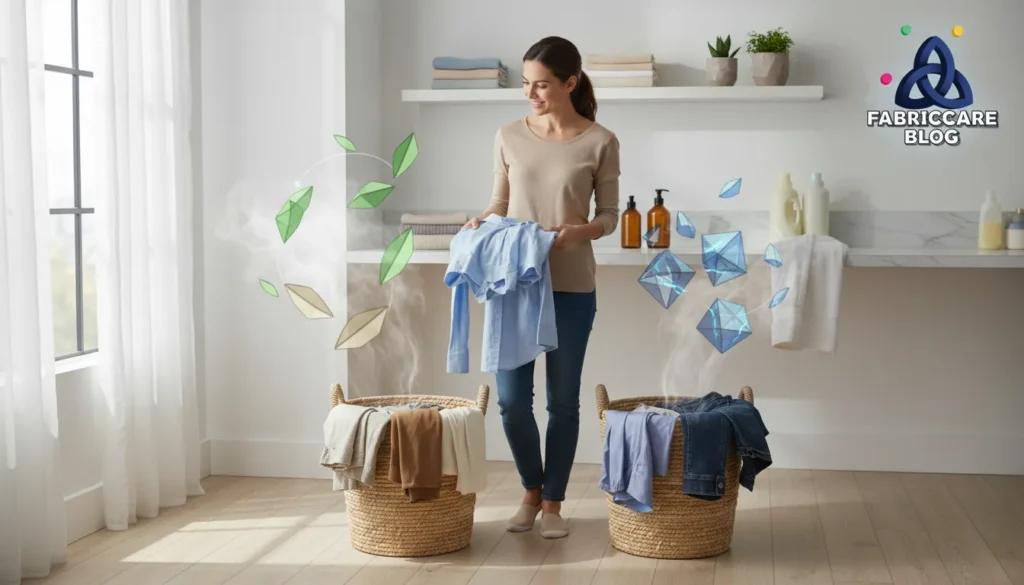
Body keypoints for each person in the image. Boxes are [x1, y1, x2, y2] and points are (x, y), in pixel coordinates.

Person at [463, 36, 621, 538]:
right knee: (511, 401)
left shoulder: (600, 141)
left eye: (542, 85)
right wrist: (480, 222)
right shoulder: (508, 134)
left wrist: (581, 233)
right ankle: (529, 491)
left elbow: (611, 216)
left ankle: (553, 503)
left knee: (562, 402)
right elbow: (499, 203)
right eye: (526, 85)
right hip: (513, 284)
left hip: (572, 285)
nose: (530, 94)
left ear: (570, 83)